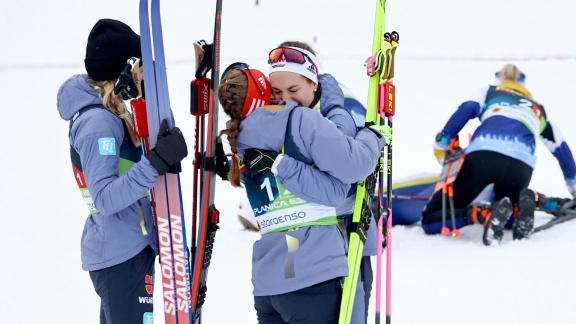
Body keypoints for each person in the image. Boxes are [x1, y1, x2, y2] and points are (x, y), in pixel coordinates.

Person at [217, 64, 387, 323]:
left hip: (272, 279)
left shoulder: (239, 138)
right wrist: (371, 136)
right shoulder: (297, 120)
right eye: (275, 90)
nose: (283, 97)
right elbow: (345, 177)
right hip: (314, 274)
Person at [56, 19, 188, 323]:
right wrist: (154, 162)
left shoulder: (113, 114)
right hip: (119, 256)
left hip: (129, 248)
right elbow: (104, 197)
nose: (144, 74)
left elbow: (132, 179)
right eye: (140, 66)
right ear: (124, 69)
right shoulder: (98, 123)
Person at [267, 40, 377, 323]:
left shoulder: (342, 105)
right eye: (277, 91)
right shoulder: (277, 113)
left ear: (314, 83)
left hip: (345, 233)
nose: (286, 98)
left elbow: (355, 167)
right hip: (296, 238)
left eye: (294, 90)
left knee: (350, 312)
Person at [422, 63, 576, 246]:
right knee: (506, 212)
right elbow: (561, 148)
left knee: (431, 219)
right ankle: (522, 208)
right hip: (520, 166)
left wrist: (443, 140)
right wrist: (573, 186)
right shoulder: (537, 109)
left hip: (483, 158)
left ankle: (480, 214)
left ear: (499, 81)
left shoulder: (489, 91)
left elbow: (466, 109)